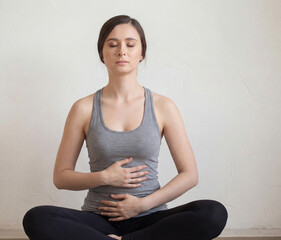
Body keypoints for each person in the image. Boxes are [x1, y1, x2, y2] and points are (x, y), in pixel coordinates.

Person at [22, 15, 228, 240]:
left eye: (130, 44)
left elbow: (189, 175)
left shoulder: (163, 106)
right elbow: (61, 178)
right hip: (98, 219)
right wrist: (104, 177)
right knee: (37, 218)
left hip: (150, 216)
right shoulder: (83, 108)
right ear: (102, 53)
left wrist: (141, 205)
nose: (122, 51)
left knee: (213, 212)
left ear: (141, 53)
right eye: (113, 44)